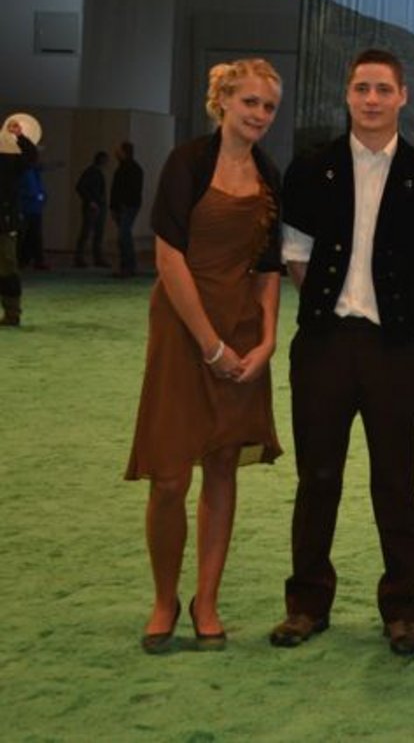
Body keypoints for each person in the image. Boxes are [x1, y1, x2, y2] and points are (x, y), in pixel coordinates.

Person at [270, 48, 414, 657]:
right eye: (362, 88)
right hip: (323, 345)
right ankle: (306, 605)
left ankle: (402, 611)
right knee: (317, 479)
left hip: (394, 349)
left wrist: (382, 313)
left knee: (398, 481)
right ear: (348, 95)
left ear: (402, 98)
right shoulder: (310, 170)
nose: (372, 99)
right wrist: (337, 309)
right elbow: (294, 257)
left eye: (383, 89)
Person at [125, 59, 284, 653]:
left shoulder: (270, 174)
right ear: (221, 102)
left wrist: (265, 340)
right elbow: (169, 261)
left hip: (242, 334)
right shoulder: (186, 163)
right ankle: (165, 600)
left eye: (269, 107)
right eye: (250, 103)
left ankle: (206, 601)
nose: (260, 115)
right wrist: (208, 344)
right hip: (182, 332)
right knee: (168, 476)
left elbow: (268, 270)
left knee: (221, 468)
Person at [1, 115, 40, 326]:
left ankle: (12, 313)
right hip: (6, 219)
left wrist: (20, 137)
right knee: (7, 267)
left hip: (5, 222)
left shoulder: (11, 161)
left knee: (7, 267)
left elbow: (32, 156)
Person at [111, 141, 145, 277]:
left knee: (123, 236)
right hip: (126, 206)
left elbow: (127, 189)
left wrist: (120, 204)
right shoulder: (129, 168)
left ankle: (128, 266)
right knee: (124, 236)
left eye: (118, 150)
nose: (116, 153)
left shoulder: (129, 169)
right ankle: (127, 266)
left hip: (128, 206)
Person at [74, 150, 110, 268]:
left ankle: (95, 258)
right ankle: (81, 258)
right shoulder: (92, 172)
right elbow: (80, 187)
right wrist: (91, 201)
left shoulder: (94, 172)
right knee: (87, 232)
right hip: (93, 206)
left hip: (96, 205)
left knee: (95, 233)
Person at [17, 154, 49, 270]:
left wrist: (42, 196)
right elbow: (24, 189)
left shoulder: (35, 172)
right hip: (26, 208)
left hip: (35, 208)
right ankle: (23, 260)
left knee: (35, 235)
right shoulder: (25, 172)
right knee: (24, 235)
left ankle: (34, 259)